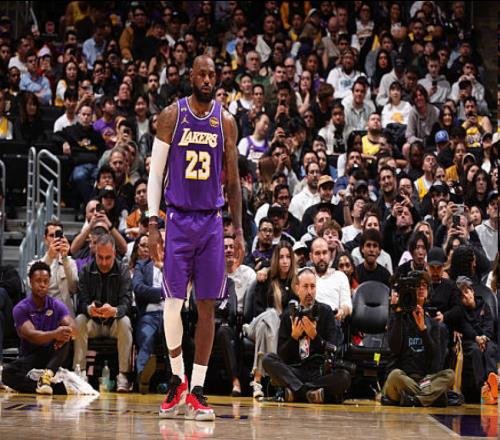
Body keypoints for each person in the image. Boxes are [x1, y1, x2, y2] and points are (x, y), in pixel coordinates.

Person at [147, 55, 243, 421]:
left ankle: (198, 391)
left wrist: (238, 229)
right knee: (172, 302)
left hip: (212, 221)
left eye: (212, 74)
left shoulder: (226, 121)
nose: (206, 79)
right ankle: (177, 380)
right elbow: (155, 175)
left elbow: (233, 182)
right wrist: (153, 223)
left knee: (207, 306)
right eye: (201, 73)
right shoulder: (172, 115)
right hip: (178, 218)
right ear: (190, 77)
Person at [262, 267, 351, 403]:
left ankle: (296, 392)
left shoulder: (326, 311)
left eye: (312, 286)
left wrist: (315, 337)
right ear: (297, 288)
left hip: (319, 372)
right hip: (295, 371)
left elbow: (334, 350)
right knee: (268, 359)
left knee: (344, 376)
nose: (309, 291)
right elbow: (282, 356)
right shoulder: (288, 315)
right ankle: (309, 393)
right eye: (305, 286)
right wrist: (294, 338)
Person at [382, 271, 455, 407]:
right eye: (417, 285)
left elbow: (434, 357)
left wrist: (423, 330)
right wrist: (397, 314)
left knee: (450, 375)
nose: (421, 288)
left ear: (428, 291)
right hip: (403, 378)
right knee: (395, 375)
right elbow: (395, 349)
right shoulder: (398, 318)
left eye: (424, 285)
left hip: (423, 381)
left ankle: (414, 400)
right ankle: (430, 397)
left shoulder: (433, 323)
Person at [3, 262, 76, 394]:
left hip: (53, 356)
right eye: (38, 281)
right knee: (7, 373)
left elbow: (73, 327)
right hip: (31, 356)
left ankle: (47, 376)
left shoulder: (56, 305)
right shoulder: (20, 308)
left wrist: (67, 331)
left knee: (66, 337)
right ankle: (52, 388)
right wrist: (55, 334)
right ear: (30, 282)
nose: (42, 285)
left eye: (45, 281)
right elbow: (32, 335)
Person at [73, 234, 133, 393]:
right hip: (93, 323)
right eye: (100, 257)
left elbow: (127, 303)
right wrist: (89, 308)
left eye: (108, 258)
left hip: (114, 324)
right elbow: (80, 302)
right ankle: (80, 373)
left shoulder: (123, 270)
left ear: (114, 253)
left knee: (125, 321)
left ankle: (123, 375)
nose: (104, 262)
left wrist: (115, 311)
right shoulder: (86, 270)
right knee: (79, 320)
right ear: (95, 253)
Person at [456, 276, 498, 405]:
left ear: (472, 292)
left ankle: (492, 379)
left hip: (486, 339)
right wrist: (477, 338)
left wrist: (484, 337)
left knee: (491, 348)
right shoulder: (461, 311)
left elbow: (489, 325)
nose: (466, 296)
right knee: (475, 350)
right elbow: (465, 328)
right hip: (471, 340)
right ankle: (483, 387)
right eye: (462, 296)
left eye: (467, 292)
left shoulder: (484, 305)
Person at [27, 221, 78, 317]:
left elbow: (74, 288)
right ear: (45, 239)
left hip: (65, 315)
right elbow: (31, 285)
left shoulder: (70, 262)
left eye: (58, 235)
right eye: (51, 235)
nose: (55, 239)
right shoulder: (33, 265)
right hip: (42, 314)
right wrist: (49, 257)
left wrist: (65, 258)